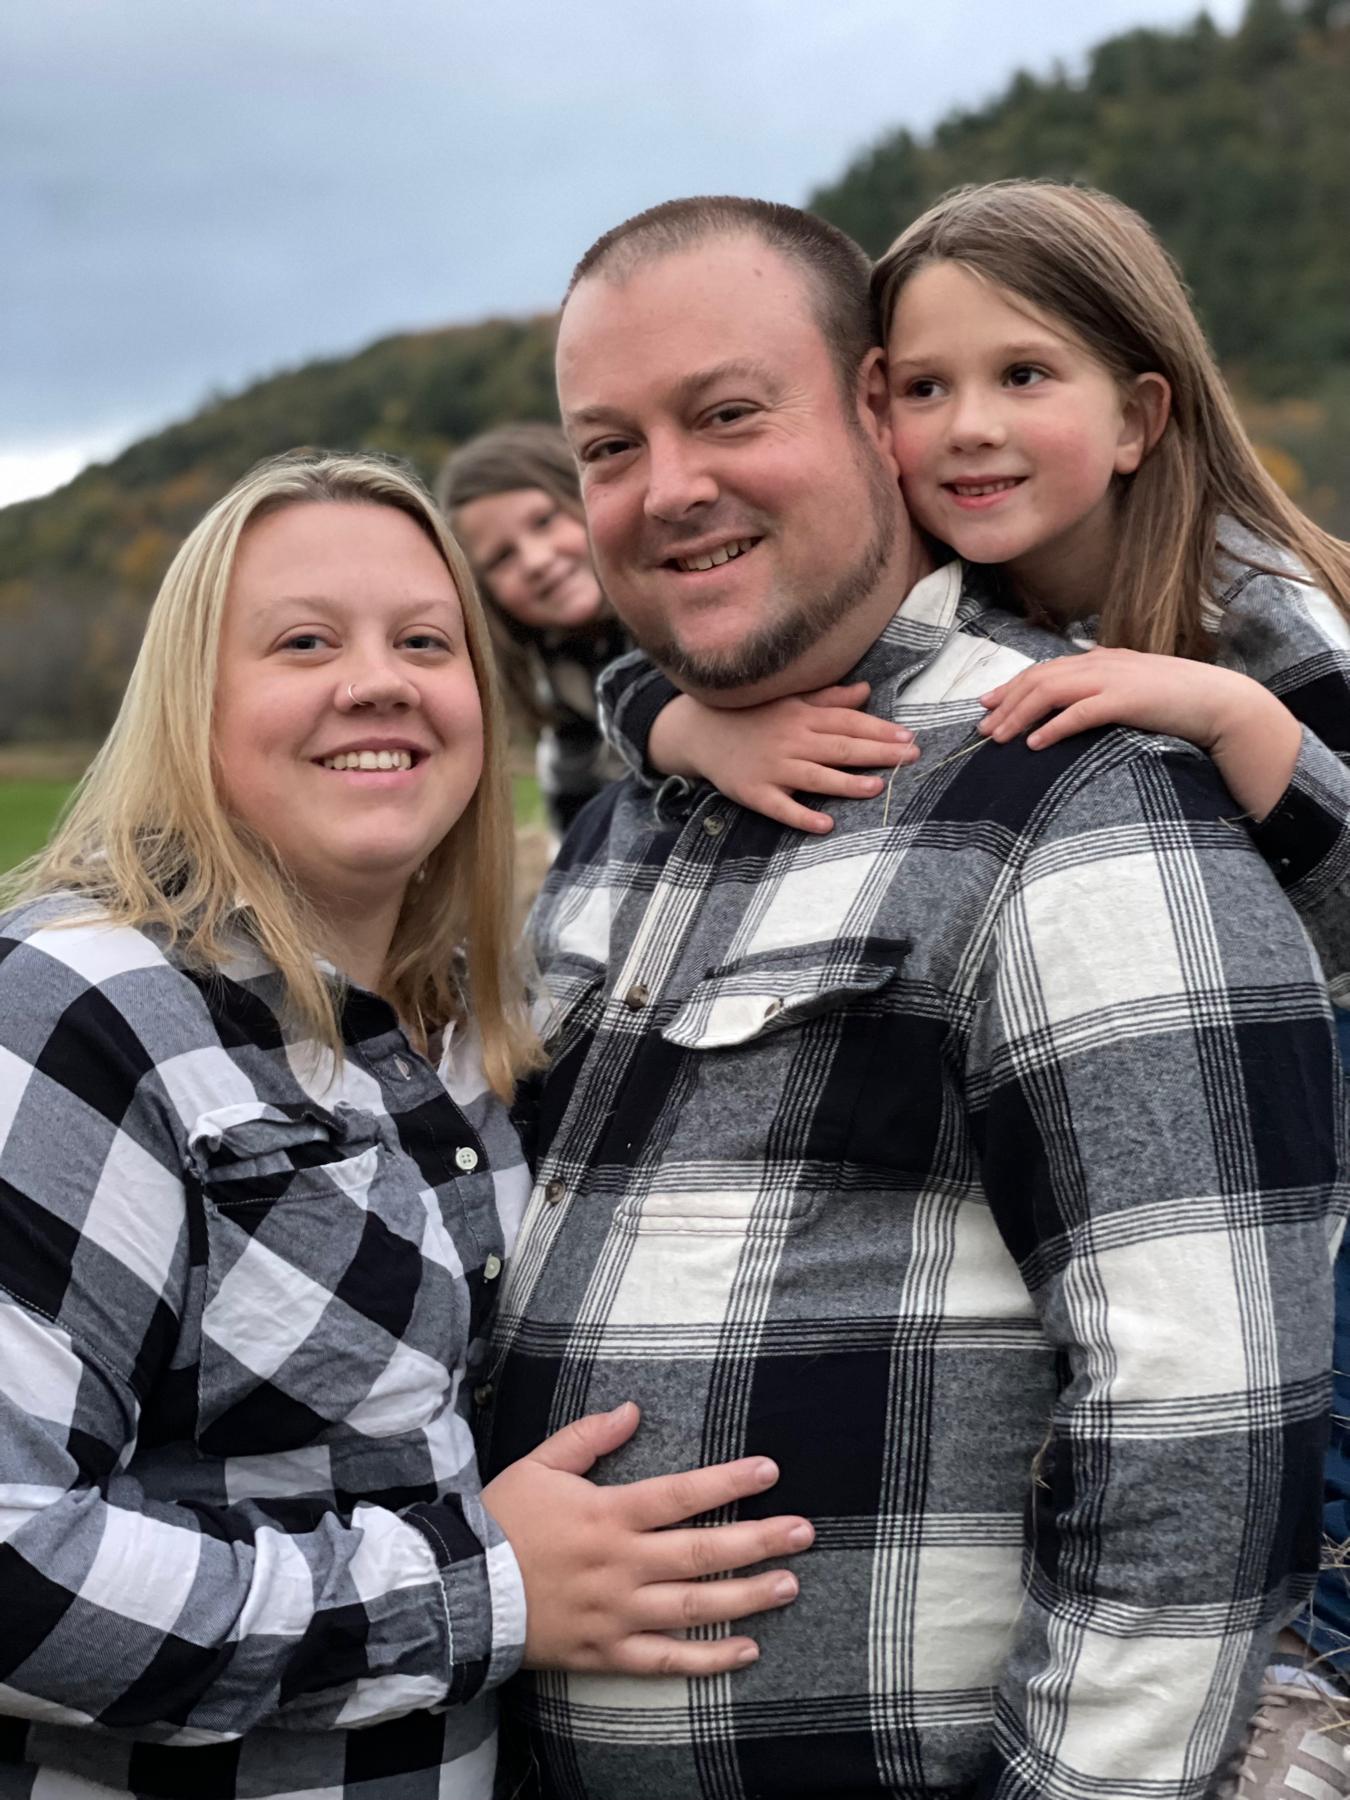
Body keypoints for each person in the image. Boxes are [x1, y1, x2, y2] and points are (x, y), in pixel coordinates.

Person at [479, 196, 1347, 1798]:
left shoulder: (1100, 760)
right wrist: (676, 729)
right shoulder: (617, 828)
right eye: (607, 446)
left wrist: (1236, 725)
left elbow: (1198, 1425)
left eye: (728, 414)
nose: (666, 487)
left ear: (863, 415)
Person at [0, 451, 814, 1800]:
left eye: (425, 642)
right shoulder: (85, 1007)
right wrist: (477, 1591)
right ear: (192, 704)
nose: (377, 681)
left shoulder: (474, 1030)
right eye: (304, 642)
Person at [437, 423, 629, 838]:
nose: (536, 560)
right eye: (503, 557)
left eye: (544, 521)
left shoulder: (680, 625)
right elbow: (575, 831)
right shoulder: (558, 692)